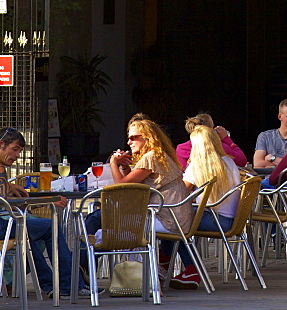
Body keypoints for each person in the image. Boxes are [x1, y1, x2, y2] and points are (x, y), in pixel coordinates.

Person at [104, 117, 201, 291]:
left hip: (168, 219)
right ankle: (153, 271)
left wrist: (113, 163)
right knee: (110, 221)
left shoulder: (152, 157)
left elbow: (121, 188)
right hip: (175, 216)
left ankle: (86, 263)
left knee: (108, 222)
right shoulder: (159, 155)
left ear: (148, 137)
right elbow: (135, 186)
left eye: (134, 137)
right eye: (128, 137)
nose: (129, 141)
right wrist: (125, 167)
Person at [0, 127, 86, 298]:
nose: (17, 155)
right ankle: (69, 285)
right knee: (49, 226)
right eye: (15, 149)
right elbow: (6, 202)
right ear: (1, 144)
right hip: (2, 226)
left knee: (30, 229)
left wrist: (9, 186)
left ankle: (49, 284)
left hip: (5, 223)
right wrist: (47, 201)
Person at [182, 125, 241, 232]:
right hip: (233, 219)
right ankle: (186, 249)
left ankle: (181, 249)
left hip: (215, 219)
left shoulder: (197, 164)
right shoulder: (229, 161)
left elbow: (180, 193)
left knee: (172, 219)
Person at [175, 113, 247, 170]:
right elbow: (242, 161)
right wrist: (226, 139)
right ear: (211, 129)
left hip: (193, 187)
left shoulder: (181, 148)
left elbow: (183, 171)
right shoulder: (220, 147)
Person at [254, 99, 287, 170]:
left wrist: (272, 158)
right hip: (268, 180)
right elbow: (257, 164)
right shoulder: (264, 136)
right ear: (280, 117)